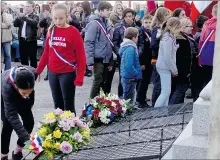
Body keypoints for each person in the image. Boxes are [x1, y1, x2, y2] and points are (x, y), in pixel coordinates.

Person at [36, 3, 86, 115]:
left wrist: (80, 76)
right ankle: (60, 130)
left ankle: (73, 130)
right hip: (53, 73)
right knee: (57, 106)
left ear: (67, 16)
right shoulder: (51, 30)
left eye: (61, 18)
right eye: (55, 18)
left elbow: (81, 56)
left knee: (68, 106)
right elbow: (46, 53)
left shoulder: (73, 32)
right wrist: (37, 71)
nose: (58, 21)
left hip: (67, 73)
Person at [1, 65, 37, 160]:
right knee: (8, 125)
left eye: (30, 91)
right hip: (4, 96)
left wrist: (26, 98)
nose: (27, 95)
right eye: (25, 93)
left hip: (21, 94)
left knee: (29, 122)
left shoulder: (32, 74)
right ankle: (3, 154)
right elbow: (11, 115)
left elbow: (27, 96)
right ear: (16, 87)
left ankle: (18, 151)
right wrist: (27, 139)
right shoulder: (7, 87)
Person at [113, 8, 144, 98]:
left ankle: (133, 99)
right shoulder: (119, 28)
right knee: (123, 78)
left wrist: (138, 52)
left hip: (135, 56)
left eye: (130, 16)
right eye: (126, 16)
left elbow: (141, 43)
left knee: (134, 80)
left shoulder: (138, 29)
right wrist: (120, 52)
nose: (128, 18)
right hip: (122, 56)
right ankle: (121, 98)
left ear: (133, 16)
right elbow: (115, 43)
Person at [84, 1, 113, 98]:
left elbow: (109, 43)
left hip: (105, 57)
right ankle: (91, 103)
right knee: (97, 81)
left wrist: (110, 60)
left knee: (103, 82)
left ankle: (101, 104)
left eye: (110, 10)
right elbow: (89, 42)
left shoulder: (107, 23)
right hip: (97, 58)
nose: (109, 12)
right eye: (107, 10)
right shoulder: (94, 23)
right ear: (100, 11)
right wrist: (90, 62)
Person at [154, 17, 181, 108]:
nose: (179, 29)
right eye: (178, 27)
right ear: (173, 27)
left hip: (164, 66)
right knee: (165, 92)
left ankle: (163, 112)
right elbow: (167, 57)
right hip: (164, 67)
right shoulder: (168, 38)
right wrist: (174, 70)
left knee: (166, 92)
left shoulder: (169, 36)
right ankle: (155, 111)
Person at [150, 7, 170, 106]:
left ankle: (162, 106)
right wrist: (163, 44)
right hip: (157, 59)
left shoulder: (165, 28)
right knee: (158, 85)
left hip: (163, 60)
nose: (169, 16)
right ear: (161, 16)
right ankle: (155, 105)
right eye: (166, 15)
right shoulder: (156, 29)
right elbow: (153, 45)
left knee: (164, 87)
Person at [169, 17, 192, 104]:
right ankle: (171, 110)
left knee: (176, 90)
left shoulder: (178, 38)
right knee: (180, 90)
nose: (192, 28)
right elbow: (182, 58)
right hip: (181, 71)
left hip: (177, 70)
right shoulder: (182, 40)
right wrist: (186, 71)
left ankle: (176, 110)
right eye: (190, 26)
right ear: (183, 27)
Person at [120, 27, 142, 106]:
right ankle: (128, 114)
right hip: (130, 77)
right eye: (137, 37)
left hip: (127, 76)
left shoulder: (127, 47)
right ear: (133, 38)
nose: (137, 39)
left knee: (127, 97)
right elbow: (129, 65)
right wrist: (136, 73)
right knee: (129, 99)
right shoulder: (130, 48)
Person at [13, 1, 39, 68]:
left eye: (28, 6)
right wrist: (19, 17)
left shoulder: (35, 16)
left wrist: (24, 17)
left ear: (33, 7)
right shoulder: (22, 15)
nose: (26, 8)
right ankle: (24, 74)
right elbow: (15, 24)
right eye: (25, 6)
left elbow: (34, 23)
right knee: (23, 59)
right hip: (22, 40)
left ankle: (33, 74)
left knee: (33, 58)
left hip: (31, 40)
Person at [198, 4, 217, 88]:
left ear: (212, 13)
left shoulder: (207, 24)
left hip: (207, 54)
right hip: (217, 54)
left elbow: (201, 41)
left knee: (206, 80)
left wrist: (200, 56)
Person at [136, 14, 153, 108]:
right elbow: (140, 48)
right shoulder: (141, 32)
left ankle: (142, 99)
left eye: (150, 22)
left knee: (146, 81)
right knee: (143, 81)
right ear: (142, 22)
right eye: (146, 22)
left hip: (149, 60)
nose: (148, 24)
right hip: (144, 61)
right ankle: (140, 100)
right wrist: (141, 62)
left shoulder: (150, 32)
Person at [39, 1, 57, 81]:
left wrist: (51, 17)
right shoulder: (46, 13)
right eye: (50, 3)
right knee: (47, 55)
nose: (51, 5)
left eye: (53, 3)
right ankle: (49, 73)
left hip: (57, 37)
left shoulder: (59, 12)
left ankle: (55, 72)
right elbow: (40, 25)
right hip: (48, 37)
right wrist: (45, 17)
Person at [1, 2, 13, 71]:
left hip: (6, 39)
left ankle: (7, 71)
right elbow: (7, 25)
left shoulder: (9, 15)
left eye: (3, 6)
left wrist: (4, 14)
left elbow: (8, 23)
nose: (2, 7)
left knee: (8, 55)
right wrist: (4, 25)